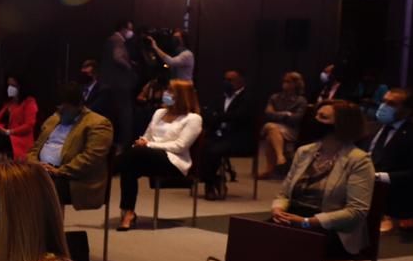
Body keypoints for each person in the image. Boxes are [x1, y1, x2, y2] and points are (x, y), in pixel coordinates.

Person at [272, 100, 374, 259]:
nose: (315, 121)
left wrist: (307, 222)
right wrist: (278, 210)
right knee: (253, 236)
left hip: (332, 228)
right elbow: (284, 194)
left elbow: (356, 211)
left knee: (282, 247)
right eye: (316, 115)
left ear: (341, 125)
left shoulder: (359, 160)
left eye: (323, 117)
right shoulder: (304, 151)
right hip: (294, 217)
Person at [116, 78, 202, 230]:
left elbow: (180, 146)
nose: (165, 94)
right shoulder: (159, 113)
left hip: (173, 161)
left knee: (130, 158)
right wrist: (143, 142)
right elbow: (147, 135)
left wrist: (148, 145)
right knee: (129, 166)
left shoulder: (193, 119)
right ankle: (128, 211)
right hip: (147, 156)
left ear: (181, 96)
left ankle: (109, 167)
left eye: (170, 91)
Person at [28, 82, 113, 211]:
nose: (60, 110)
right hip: (43, 171)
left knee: (43, 187)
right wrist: (35, 164)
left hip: (75, 180)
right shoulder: (53, 119)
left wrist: (58, 171)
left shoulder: (98, 124)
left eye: (65, 107)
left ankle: (48, 230)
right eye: (58, 107)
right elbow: (34, 149)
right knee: (10, 181)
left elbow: (90, 159)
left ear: (79, 105)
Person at [367, 88, 413, 234]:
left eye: (391, 103)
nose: (383, 106)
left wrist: (380, 177)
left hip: (393, 196)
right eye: (384, 101)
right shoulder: (374, 128)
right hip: (363, 190)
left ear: (408, 110)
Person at [193, 69, 254, 199]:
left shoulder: (248, 98)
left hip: (237, 137)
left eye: (230, 80)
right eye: (225, 79)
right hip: (217, 134)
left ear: (240, 81)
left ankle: (209, 185)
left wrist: (218, 116)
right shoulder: (219, 97)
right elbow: (207, 114)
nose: (226, 83)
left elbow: (239, 117)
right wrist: (219, 117)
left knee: (212, 150)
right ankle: (214, 178)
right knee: (199, 145)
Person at [257, 71, 308, 180]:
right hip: (275, 127)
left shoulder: (301, 100)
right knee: (272, 128)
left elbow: (296, 119)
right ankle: (280, 158)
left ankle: (269, 170)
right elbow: (268, 114)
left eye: (288, 82)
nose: (285, 84)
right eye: (284, 81)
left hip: (291, 130)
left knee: (270, 133)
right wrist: (285, 114)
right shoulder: (274, 97)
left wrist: (278, 115)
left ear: (296, 84)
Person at [99, 19, 138, 147]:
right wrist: (129, 67)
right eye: (130, 29)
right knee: (125, 114)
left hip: (111, 84)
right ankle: (125, 144)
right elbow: (117, 57)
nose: (131, 32)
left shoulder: (110, 40)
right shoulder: (117, 40)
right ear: (123, 28)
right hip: (120, 84)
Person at [0, 75, 37, 160]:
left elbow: (29, 125)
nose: (10, 88)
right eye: (9, 85)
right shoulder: (9, 102)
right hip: (7, 138)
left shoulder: (29, 102)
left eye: (13, 86)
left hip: (21, 140)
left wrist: (9, 132)